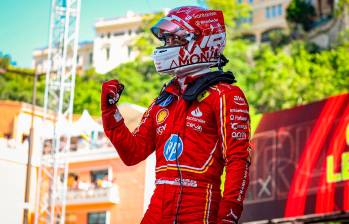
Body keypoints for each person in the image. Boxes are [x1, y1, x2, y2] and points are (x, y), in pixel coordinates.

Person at [101, 6, 251, 224]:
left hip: (200, 203)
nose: (167, 46)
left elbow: (239, 159)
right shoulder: (164, 99)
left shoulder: (225, 95)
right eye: (166, 40)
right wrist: (110, 112)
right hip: (159, 202)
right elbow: (132, 153)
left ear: (202, 40)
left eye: (174, 39)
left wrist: (229, 213)